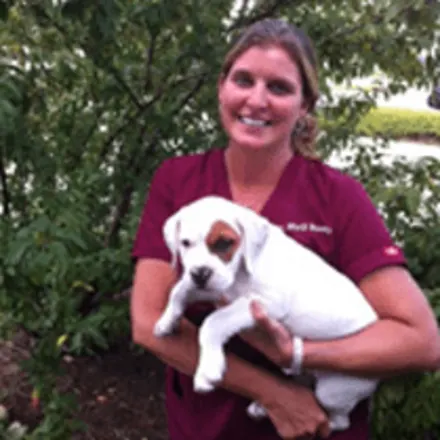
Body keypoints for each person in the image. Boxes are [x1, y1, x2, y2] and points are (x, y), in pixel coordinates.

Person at [130, 18, 440, 440]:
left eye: (279, 87)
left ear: (305, 105)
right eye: (243, 80)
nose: (256, 100)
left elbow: (420, 342)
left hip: (319, 428)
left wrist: (298, 354)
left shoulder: (337, 196)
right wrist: (274, 393)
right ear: (222, 87)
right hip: (205, 426)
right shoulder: (180, 182)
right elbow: (149, 323)